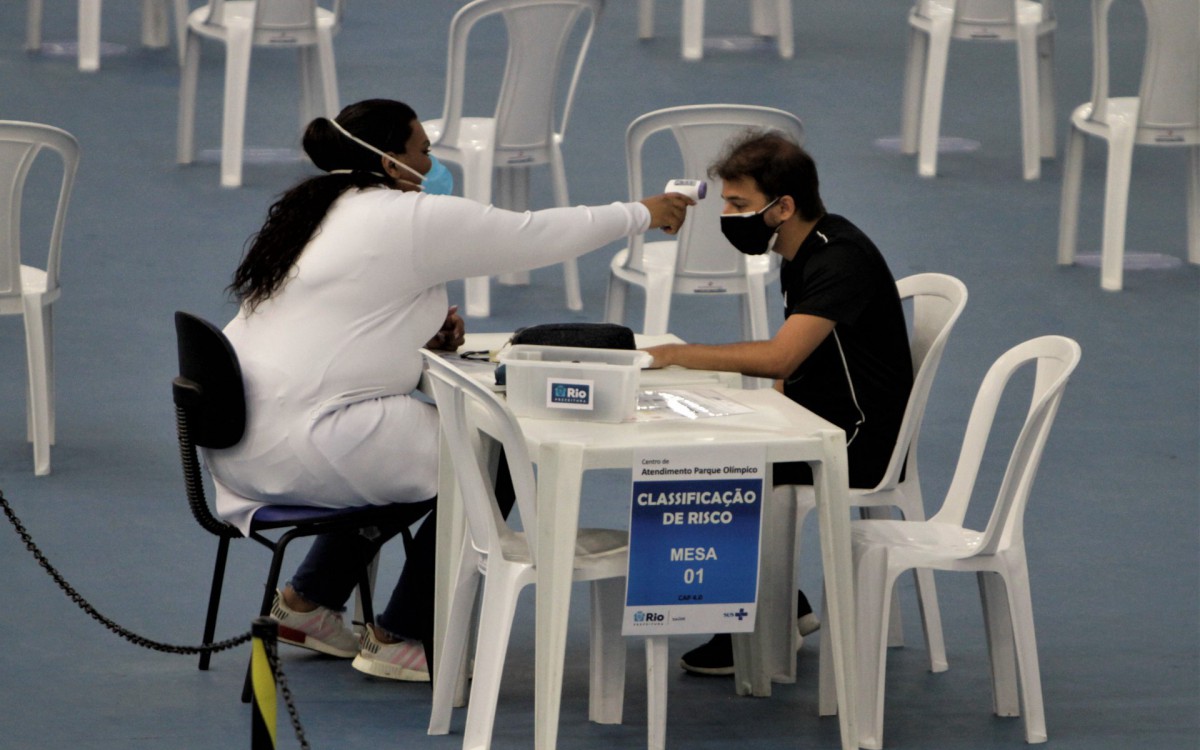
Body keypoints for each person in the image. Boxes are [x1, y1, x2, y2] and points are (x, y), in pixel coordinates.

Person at [204, 98, 693, 682]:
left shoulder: (313, 213)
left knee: (415, 451)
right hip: (309, 441)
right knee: (490, 449)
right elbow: (533, 236)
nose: (432, 161)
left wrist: (418, 335)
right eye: (423, 151)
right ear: (390, 163)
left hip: (240, 443)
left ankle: (308, 605)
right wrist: (644, 212)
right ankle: (402, 635)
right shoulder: (406, 217)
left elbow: (338, 327)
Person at [643, 130, 913, 676]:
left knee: (718, 470)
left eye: (738, 204)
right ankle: (780, 608)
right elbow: (806, 366)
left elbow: (781, 358)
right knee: (700, 456)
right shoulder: (798, 252)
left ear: (783, 206)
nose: (726, 214)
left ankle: (755, 623)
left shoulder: (841, 260)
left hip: (859, 439)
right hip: (820, 419)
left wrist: (677, 353)